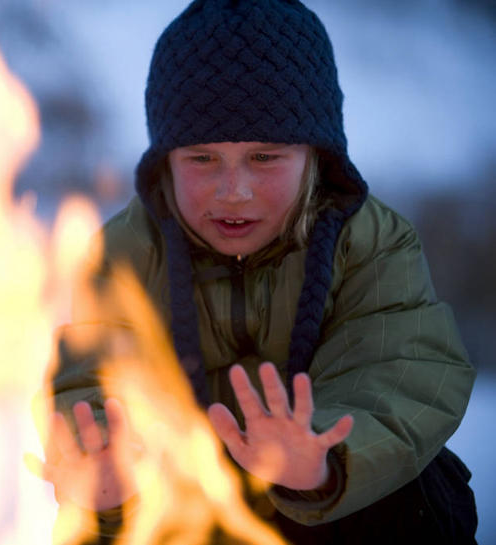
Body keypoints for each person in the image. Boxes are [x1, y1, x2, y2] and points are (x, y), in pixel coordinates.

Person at [42, 1, 478, 544]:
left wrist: (321, 457)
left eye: (265, 158)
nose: (234, 190)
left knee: (419, 486)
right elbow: (88, 376)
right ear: (165, 162)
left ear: (315, 156)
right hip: (179, 500)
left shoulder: (369, 242)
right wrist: (103, 466)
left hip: (323, 503)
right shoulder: (126, 252)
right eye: (202, 159)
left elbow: (399, 371)